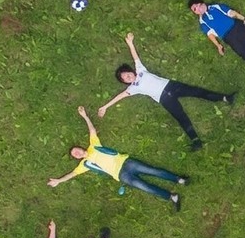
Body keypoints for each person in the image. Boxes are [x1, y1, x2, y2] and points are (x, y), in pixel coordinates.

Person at [96, 33, 235, 150]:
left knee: (197, 92)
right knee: (181, 117)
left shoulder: (140, 70)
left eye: (127, 74)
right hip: (164, 99)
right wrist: (105, 107)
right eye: (125, 79)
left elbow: (135, 57)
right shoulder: (133, 88)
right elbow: (120, 96)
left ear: (131, 71)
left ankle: (225, 98)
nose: (128, 77)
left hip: (171, 86)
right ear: (125, 82)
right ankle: (196, 141)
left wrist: (130, 43)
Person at [46, 107, 187, 210]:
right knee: (146, 188)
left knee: (153, 171)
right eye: (75, 155)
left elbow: (92, 131)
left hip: (127, 163)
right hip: (121, 176)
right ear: (77, 158)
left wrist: (85, 116)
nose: (77, 153)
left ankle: (179, 179)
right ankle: (172, 196)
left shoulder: (93, 146)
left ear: (81, 147)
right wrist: (59, 180)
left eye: (76, 150)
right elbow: (72, 174)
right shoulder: (85, 164)